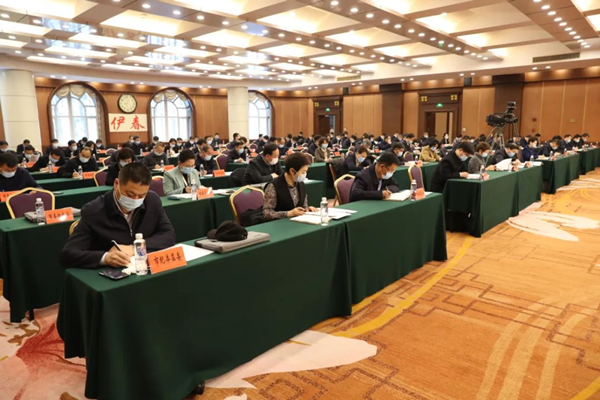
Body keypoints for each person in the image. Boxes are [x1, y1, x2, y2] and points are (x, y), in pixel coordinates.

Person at [59, 163, 176, 269]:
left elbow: (168, 234)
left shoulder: (152, 201)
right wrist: (105, 258)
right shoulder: (93, 211)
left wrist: (134, 248)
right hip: (111, 274)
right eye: (130, 194)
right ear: (116, 184)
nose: (135, 199)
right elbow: (68, 255)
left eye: (141, 195)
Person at [263, 153, 319, 221]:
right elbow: (267, 213)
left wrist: (307, 209)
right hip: (279, 224)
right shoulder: (273, 186)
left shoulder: (301, 184)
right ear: (292, 171)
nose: (304, 175)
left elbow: (304, 206)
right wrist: (288, 213)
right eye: (303, 172)